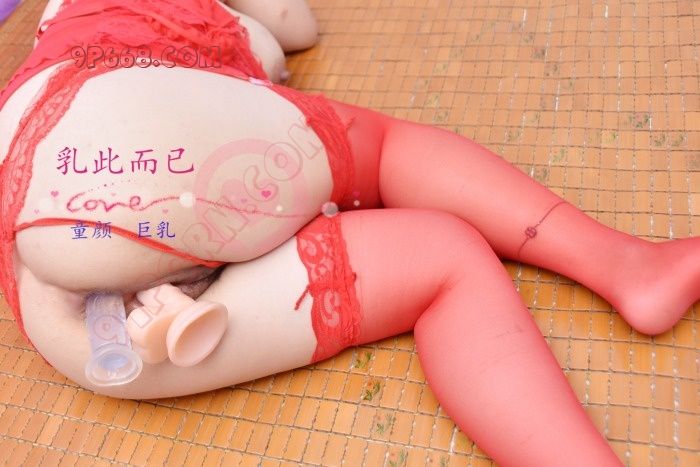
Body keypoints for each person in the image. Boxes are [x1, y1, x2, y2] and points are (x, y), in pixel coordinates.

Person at [0, 1, 696, 465]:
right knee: (383, 149)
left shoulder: (59, 19)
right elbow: (293, 26)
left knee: (443, 258)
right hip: (114, 137)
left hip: (66, 318)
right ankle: (626, 265)